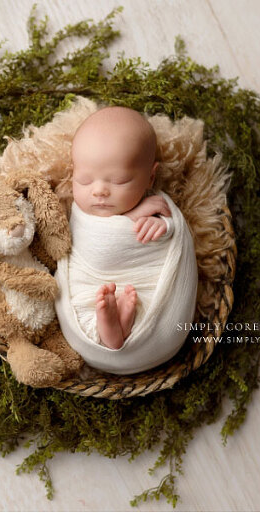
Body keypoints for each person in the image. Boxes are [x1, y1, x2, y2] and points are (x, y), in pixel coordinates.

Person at [55, 107, 198, 373]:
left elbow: (177, 239)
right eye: (84, 180)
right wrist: (131, 216)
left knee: (138, 302)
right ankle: (110, 329)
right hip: (90, 291)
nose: (98, 191)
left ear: (150, 177)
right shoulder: (78, 212)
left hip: (153, 317)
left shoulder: (158, 207)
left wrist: (163, 227)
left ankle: (119, 327)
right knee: (90, 304)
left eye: (119, 181)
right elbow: (91, 241)